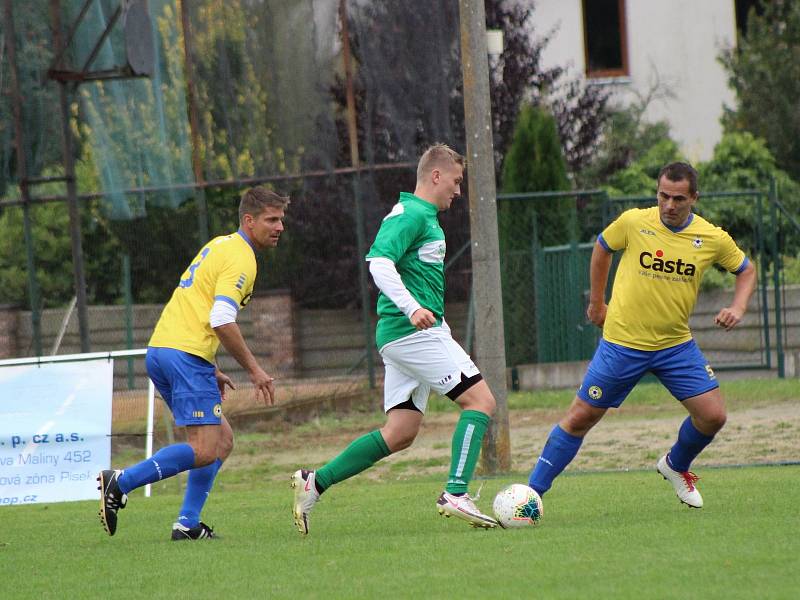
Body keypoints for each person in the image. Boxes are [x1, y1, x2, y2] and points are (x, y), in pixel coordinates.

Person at [291, 143, 498, 534]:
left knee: (400, 433)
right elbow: (379, 263)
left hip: (407, 334)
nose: (458, 190)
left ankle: (313, 482)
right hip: (412, 332)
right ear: (435, 176)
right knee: (481, 400)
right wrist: (411, 308)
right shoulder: (410, 213)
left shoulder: (426, 217)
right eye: (455, 181)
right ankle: (456, 493)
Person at [527, 161, 756, 508]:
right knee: (580, 417)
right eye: (664, 196)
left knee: (713, 416)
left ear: (694, 197)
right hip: (622, 343)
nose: (669, 205)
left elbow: (746, 269)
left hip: (675, 345)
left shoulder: (711, 237)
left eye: (679, 198)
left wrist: (738, 308)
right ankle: (531, 495)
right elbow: (603, 247)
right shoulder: (635, 222)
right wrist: (596, 302)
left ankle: (676, 465)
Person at [97, 186, 289, 540]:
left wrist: (211, 365)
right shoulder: (242, 258)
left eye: (281, 220)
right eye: (271, 219)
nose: (279, 227)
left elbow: (197, 307)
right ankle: (122, 481)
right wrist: (255, 370)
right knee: (203, 449)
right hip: (184, 357)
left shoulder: (220, 245)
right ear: (249, 220)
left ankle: (187, 524)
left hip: (165, 350)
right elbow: (220, 318)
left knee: (222, 441)